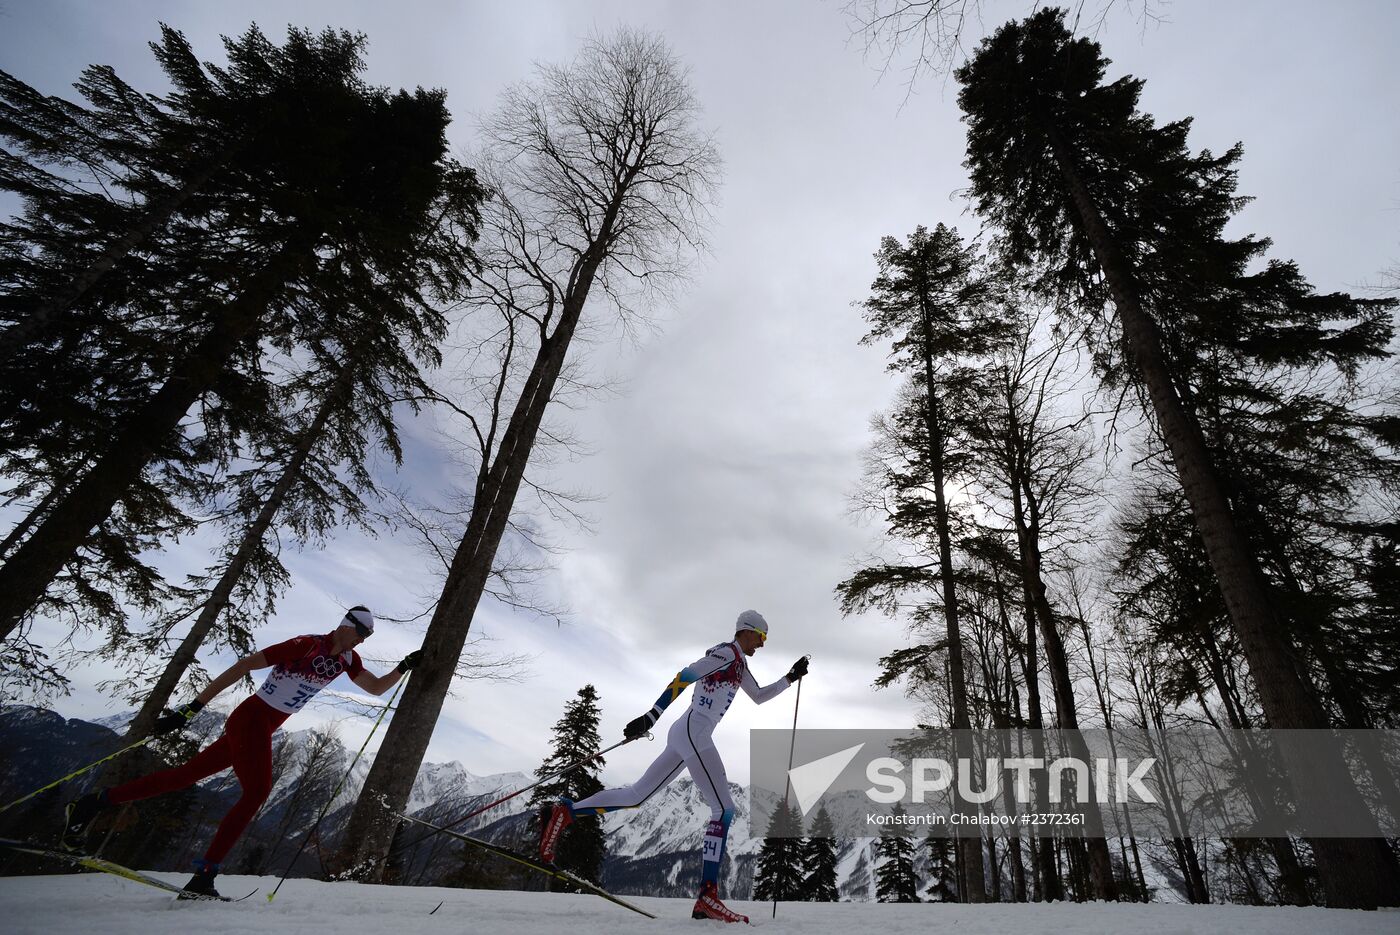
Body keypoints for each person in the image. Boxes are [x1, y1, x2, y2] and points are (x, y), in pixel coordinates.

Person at [62, 605, 422, 898]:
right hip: (250, 718)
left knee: (182, 777)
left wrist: (403, 667)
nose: (362, 640)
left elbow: (375, 688)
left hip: (264, 726)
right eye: (361, 632)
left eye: (367, 636)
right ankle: (204, 876)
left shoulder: (347, 661)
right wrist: (192, 707)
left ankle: (90, 804)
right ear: (346, 625)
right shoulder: (305, 645)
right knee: (257, 792)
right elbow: (243, 665)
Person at [537, 610, 808, 923]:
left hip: (687, 732)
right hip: (694, 732)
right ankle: (707, 897)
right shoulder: (725, 654)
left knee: (637, 795)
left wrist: (790, 677)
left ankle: (565, 812)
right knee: (724, 810)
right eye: (761, 638)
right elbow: (685, 676)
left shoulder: (740, 664)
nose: (761, 645)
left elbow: (759, 696)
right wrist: (651, 715)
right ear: (748, 632)